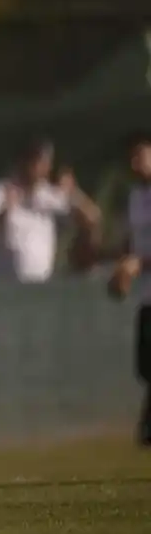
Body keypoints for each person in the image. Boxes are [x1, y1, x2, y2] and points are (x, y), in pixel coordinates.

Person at [0, 138, 101, 282]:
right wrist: (6, 210)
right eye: (36, 161)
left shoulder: (48, 194)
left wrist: (73, 192)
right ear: (23, 162)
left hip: (39, 289)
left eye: (45, 162)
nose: (41, 167)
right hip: (0, 286)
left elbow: (92, 218)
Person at [106, 131, 151, 447]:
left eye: (142, 154)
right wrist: (122, 266)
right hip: (148, 295)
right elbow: (133, 242)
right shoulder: (136, 196)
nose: (136, 163)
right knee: (145, 366)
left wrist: (136, 265)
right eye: (131, 157)